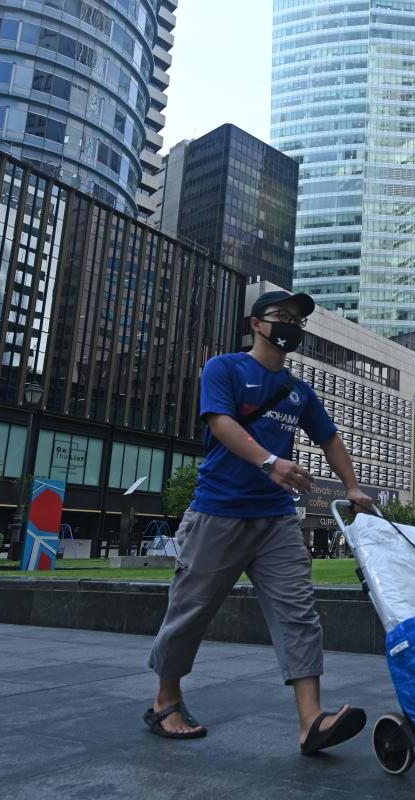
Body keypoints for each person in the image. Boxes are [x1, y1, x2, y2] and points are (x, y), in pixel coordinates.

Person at [145, 289, 373, 754]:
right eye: (280, 316)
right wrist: (271, 462)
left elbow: (329, 439)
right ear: (256, 323)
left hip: (276, 520)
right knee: (190, 611)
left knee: (298, 614)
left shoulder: (299, 391)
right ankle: (166, 701)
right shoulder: (225, 368)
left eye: (296, 320)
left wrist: (351, 487)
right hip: (218, 512)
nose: (289, 324)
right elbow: (220, 423)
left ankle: (311, 720)